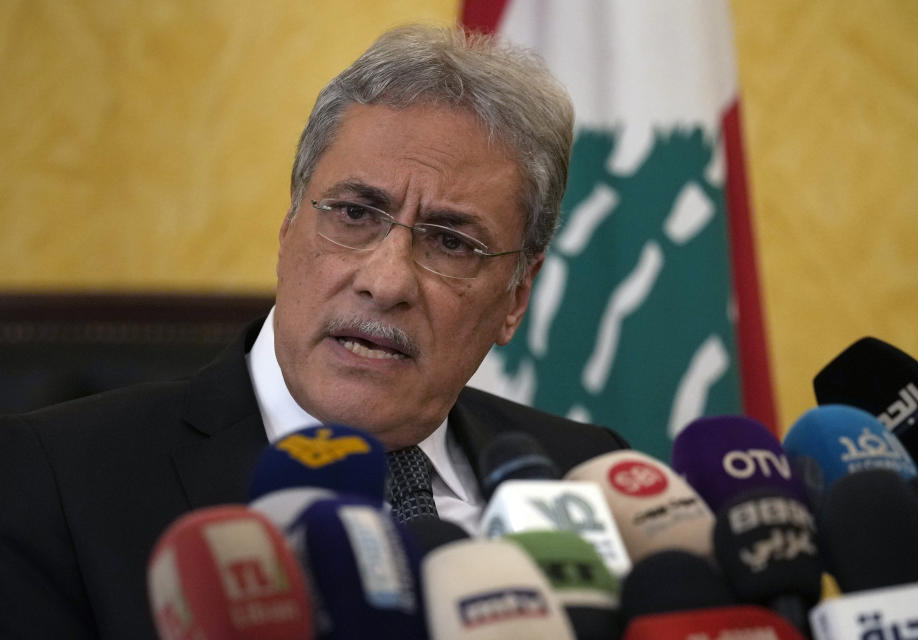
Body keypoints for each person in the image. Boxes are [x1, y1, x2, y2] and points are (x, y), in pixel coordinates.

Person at [0, 25, 628, 638]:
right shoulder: (51, 482)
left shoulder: (590, 479)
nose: (386, 282)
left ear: (516, 296)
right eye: (354, 214)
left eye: (450, 242)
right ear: (288, 227)